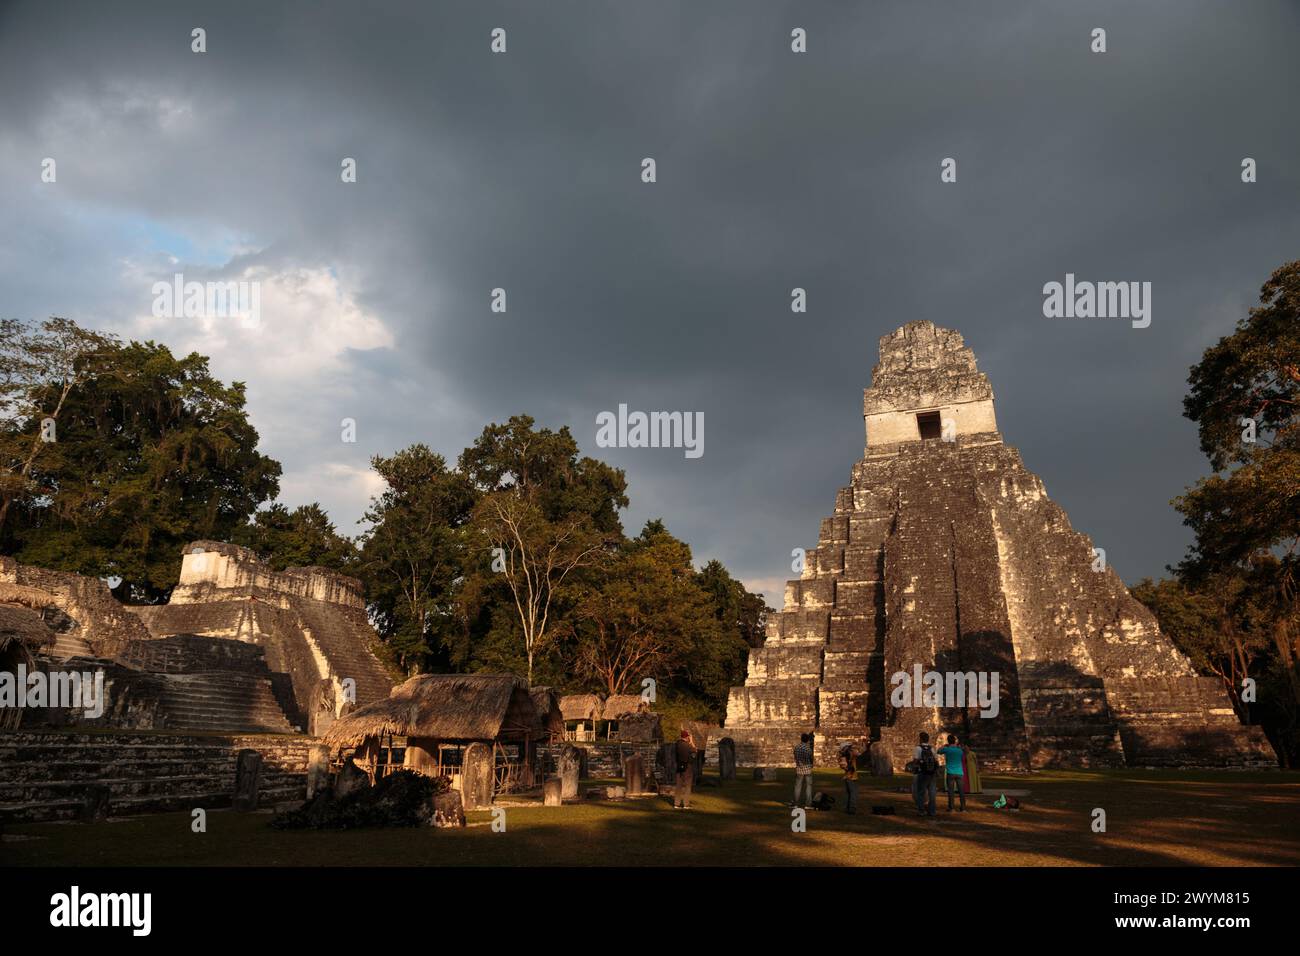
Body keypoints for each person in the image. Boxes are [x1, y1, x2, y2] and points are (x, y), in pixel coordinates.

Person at [937, 734, 966, 812]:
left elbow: (938, 751)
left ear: (948, 741)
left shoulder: (947, 749)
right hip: (959, 772)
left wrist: (944, 746)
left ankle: (951, 807)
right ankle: (963, 808)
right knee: (961, 791)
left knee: (951, 791)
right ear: (955, 741)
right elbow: (963, 755)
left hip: (950, 772)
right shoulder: (959, 750)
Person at [912, 732, 937, 817]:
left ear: (921, 739)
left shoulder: (918, 748)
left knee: (921, 793)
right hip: (932, 773)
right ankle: (932, 811)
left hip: (922, 773)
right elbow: (936, 761)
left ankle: (921, 811)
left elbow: (915, 760)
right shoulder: (932, 749)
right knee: (932, 793)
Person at [673, 729, 696, 809]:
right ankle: (686, 804)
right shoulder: (687, 745)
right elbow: (695, 751)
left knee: (678, 786)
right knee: (687, 786)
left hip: (679, 766)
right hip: (687, 767)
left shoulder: (677, 744)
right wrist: (692, 741)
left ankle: (676, 803)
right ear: (687, 737)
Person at [792, 732, 814, 808]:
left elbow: (795, 756)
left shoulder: (797, 747)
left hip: (799, 769)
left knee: (797, 786)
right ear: (807, 740)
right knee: (808, 787)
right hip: (807, 769)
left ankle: (796, 803)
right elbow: (811, 759)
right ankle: (808, 804)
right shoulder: (808, 748)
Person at [838, 743, 859, 814]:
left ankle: (846, 808)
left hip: (847, 776)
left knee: (848, 793)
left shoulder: (843, 757)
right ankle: (852, 809)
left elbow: (843, 766)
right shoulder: (849, 755)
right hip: (851, 777)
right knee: (853, 793)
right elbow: (857, 753)